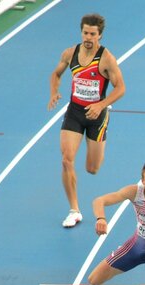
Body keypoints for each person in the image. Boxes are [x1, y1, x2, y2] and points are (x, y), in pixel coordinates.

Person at [48, 13, 126, 228]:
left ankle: (98, 140)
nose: (88, 37)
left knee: (92, 168)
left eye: (92, 34)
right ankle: (74, 210)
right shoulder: (70, 53)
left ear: (99, 35)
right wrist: (54, 92)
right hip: (75, 111)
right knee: (66, 159)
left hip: (97, 115)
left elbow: (121, 88)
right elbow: (55, 75)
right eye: (85, 33)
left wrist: (101, 105)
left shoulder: (106, 58)